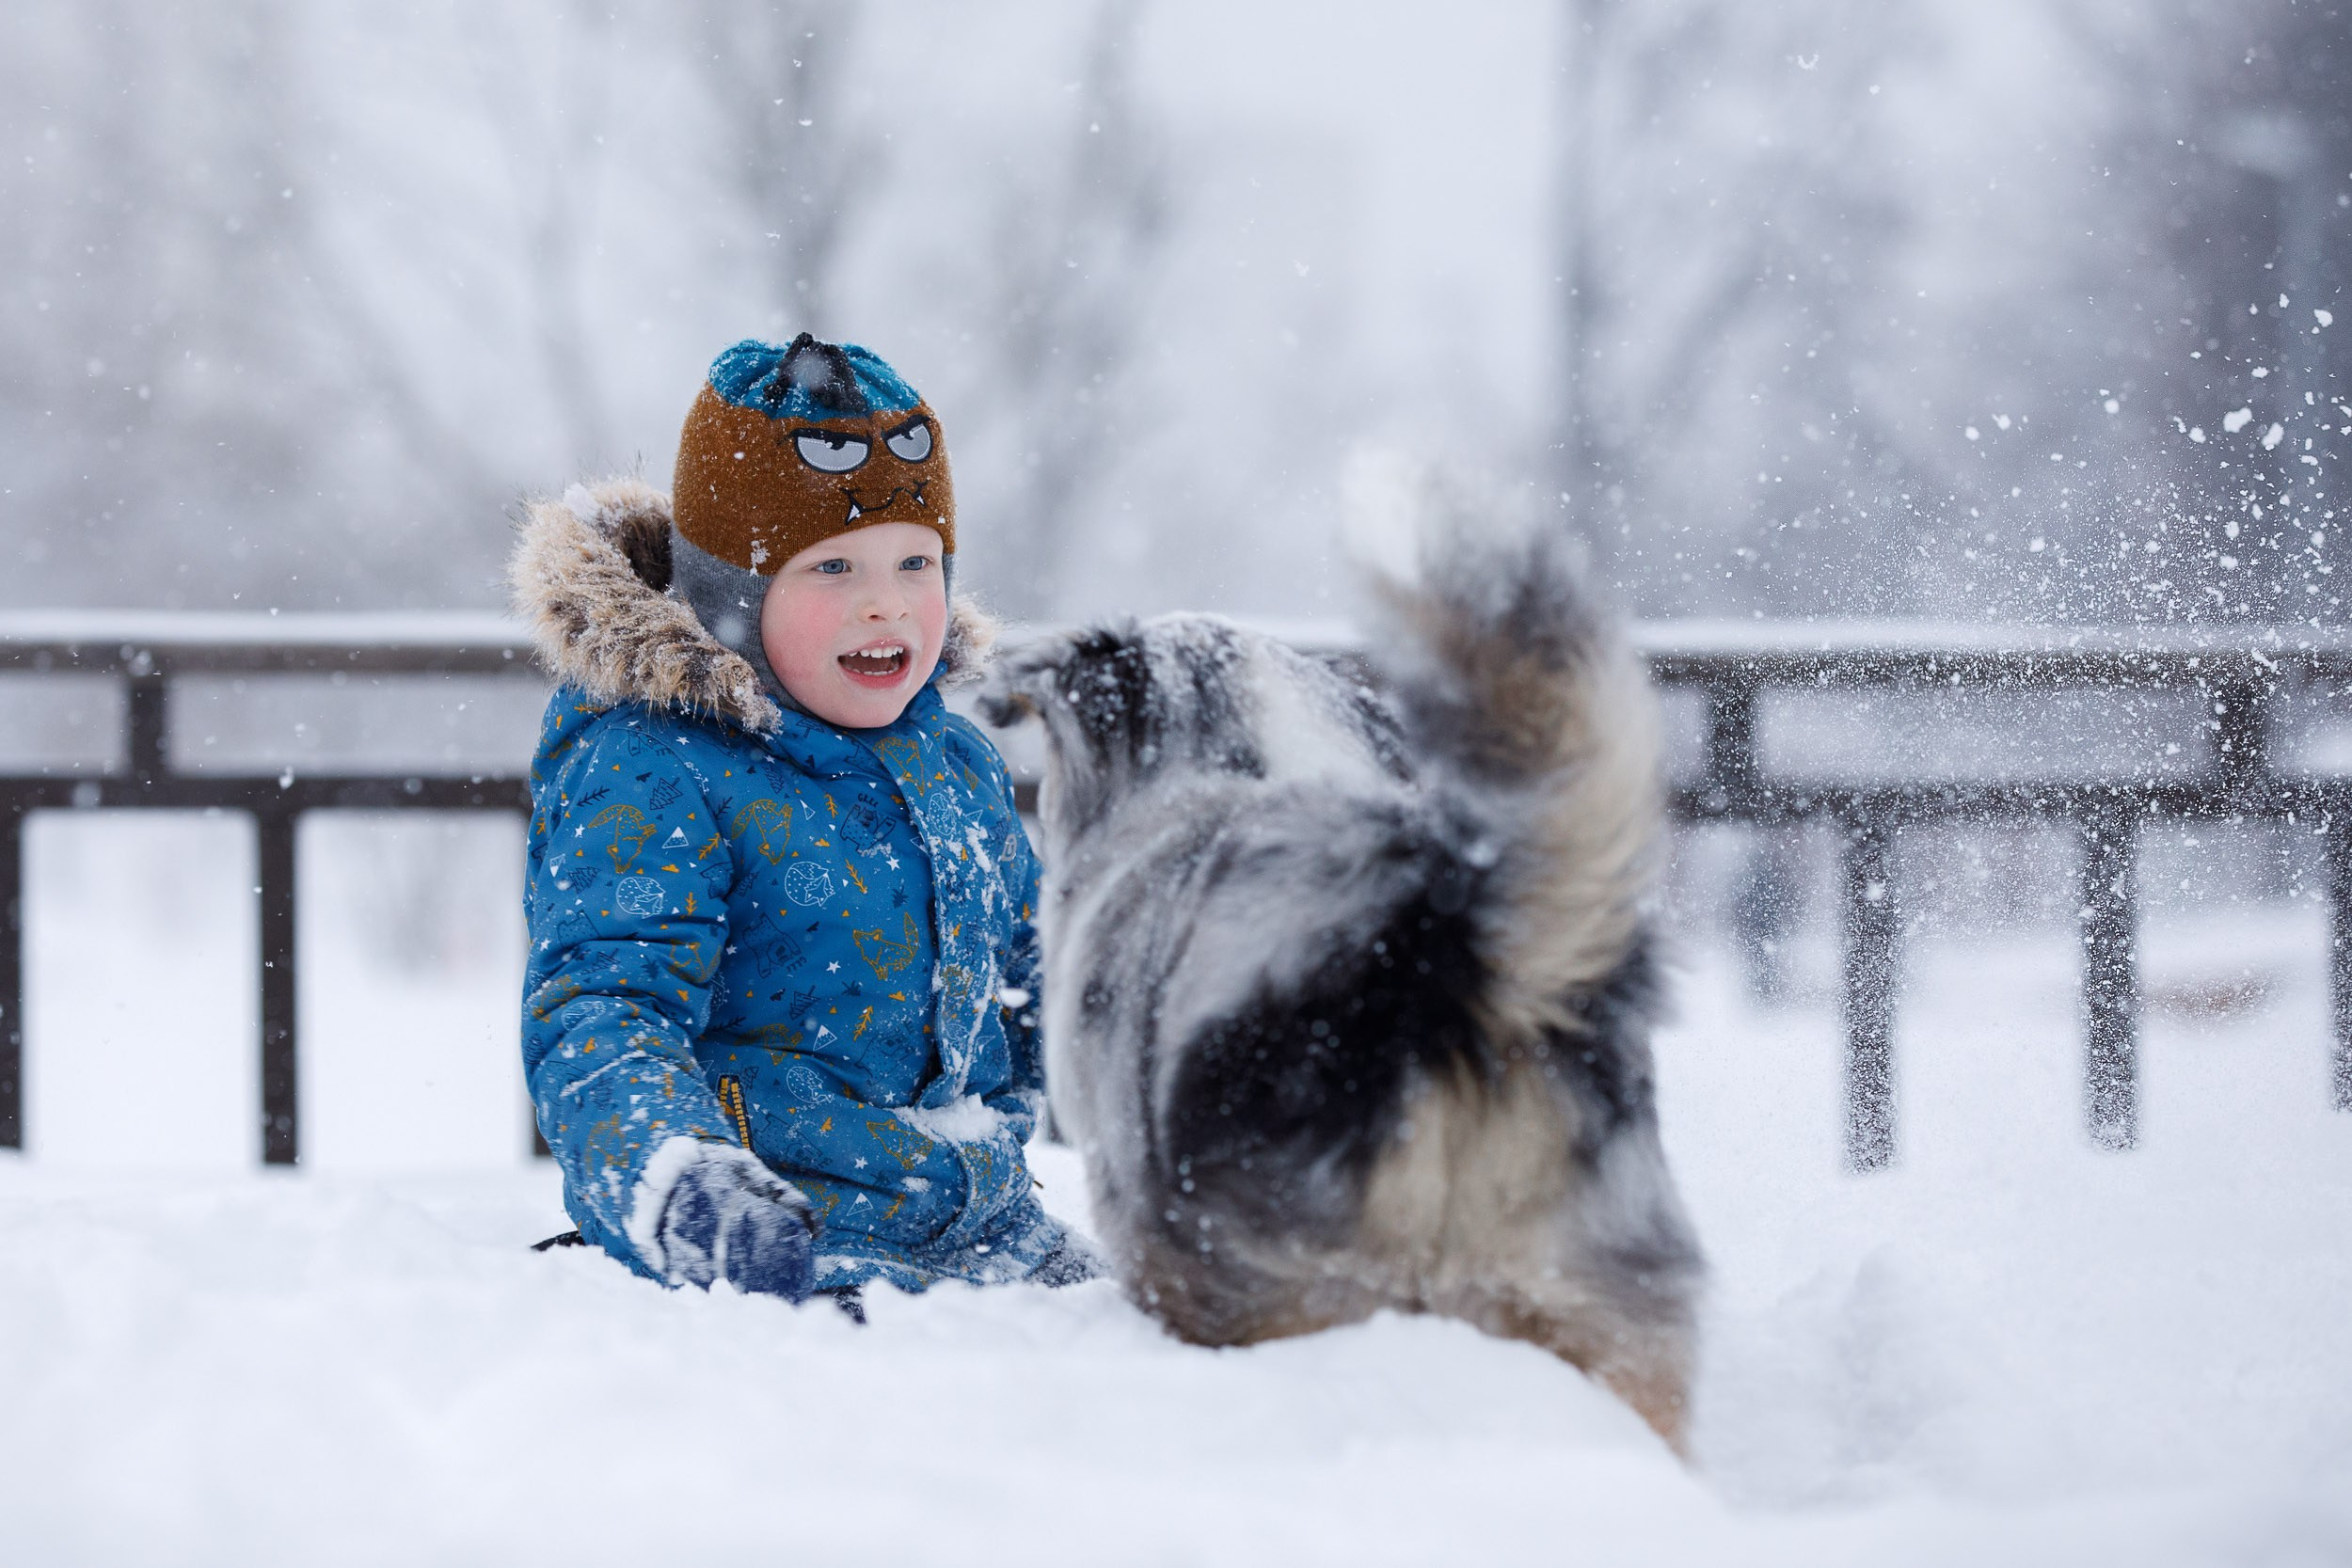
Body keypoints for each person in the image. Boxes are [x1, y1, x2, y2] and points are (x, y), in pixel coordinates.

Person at [509, 334, 1091, 1310]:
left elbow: (1040, 985)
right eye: (831, 569)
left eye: (915, 560)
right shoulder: (656, 768)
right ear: (733, 597)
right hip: (777, 1254)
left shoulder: (957, 763)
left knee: (1169, 1343)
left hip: (990, 1230)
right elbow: (606, 1008)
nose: (886, 604)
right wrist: (685, 1183)